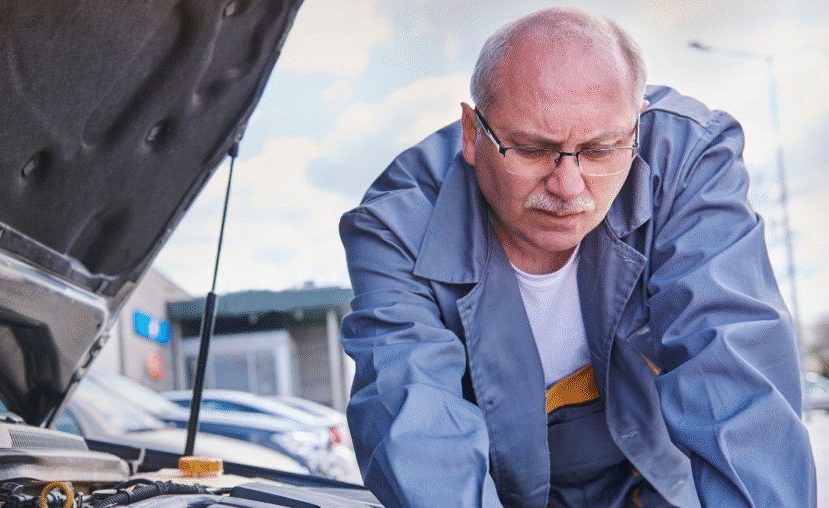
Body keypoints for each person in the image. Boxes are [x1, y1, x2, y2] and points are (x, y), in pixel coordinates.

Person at [338, 7, 815, 508]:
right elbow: (415, 422)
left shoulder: (685, 163)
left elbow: (733, 376)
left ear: (637, 127)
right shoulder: (399, 224)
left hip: (653, 482)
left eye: (601, 149)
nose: (568, 189)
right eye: (531, 149)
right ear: (473, 133)